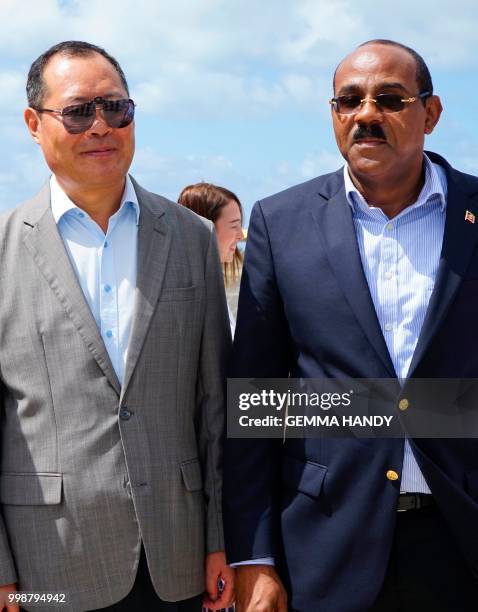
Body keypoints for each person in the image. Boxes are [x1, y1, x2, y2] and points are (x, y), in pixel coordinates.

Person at [223, 39, 478, 612]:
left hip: (462, 540)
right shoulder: (280, 222)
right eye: (349, 100)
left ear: (430, 113)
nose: (367, 114)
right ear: (333, 115)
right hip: (327, 545)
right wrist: (254, 557)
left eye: (390, 98)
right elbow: (255, 400)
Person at [0, 40, 234, 612]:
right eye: (79, 111)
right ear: (34, 123)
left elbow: (216, 408)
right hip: (47, 569)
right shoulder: (3, 251)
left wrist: (222, 541)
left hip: (178, 562)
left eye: (117, 108)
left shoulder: (189, 239)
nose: (101, 126)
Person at [178, 183, 244, 336]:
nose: (241, 235)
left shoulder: (208, 287)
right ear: (205, 227)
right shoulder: (188, 299)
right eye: (234, 226)